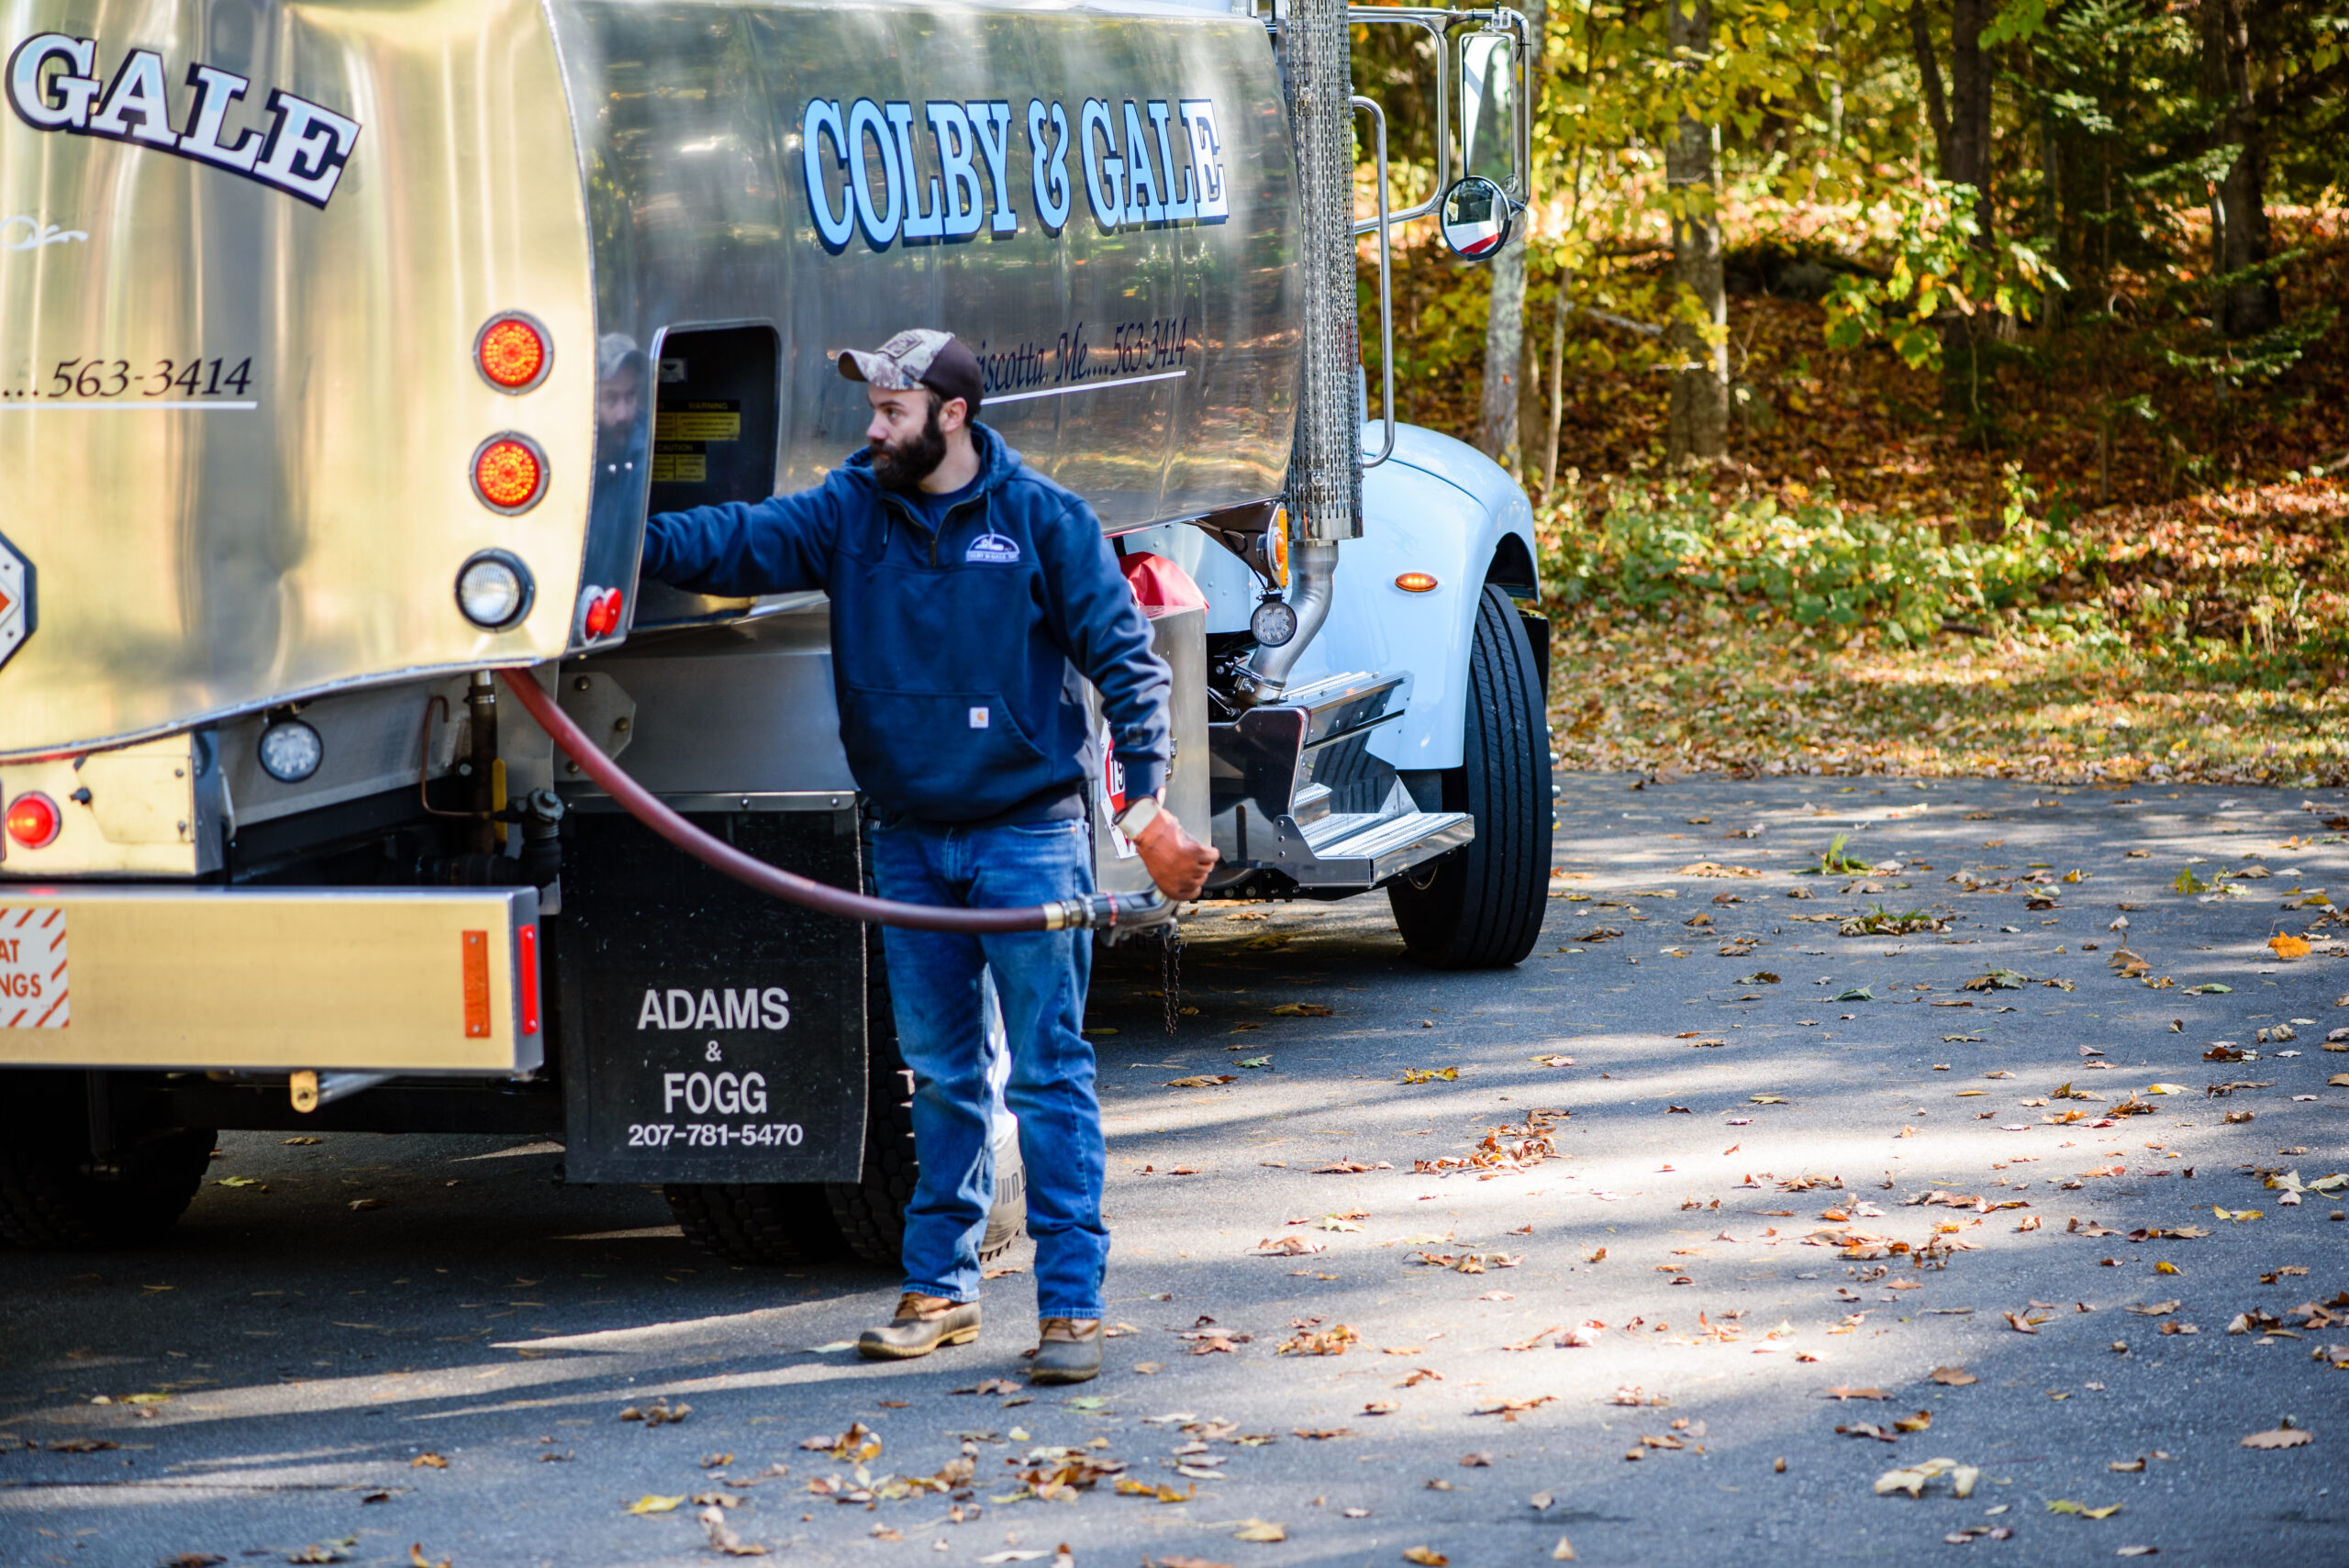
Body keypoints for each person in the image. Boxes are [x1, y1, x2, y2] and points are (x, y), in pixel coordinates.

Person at [638, 328, 1219, 1385]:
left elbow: (1130, 673)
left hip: (1027, 836)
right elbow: (732, 539)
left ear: (952, 414)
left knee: (1046, 1076)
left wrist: (1142, 814)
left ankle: (1071, 1309)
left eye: (893, 408)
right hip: (907, 837)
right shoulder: (850, 509)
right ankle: (941, 1290)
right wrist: (605, 542)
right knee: (945, 1077)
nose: (873, 424)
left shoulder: (1043, 520)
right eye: (874, 406)